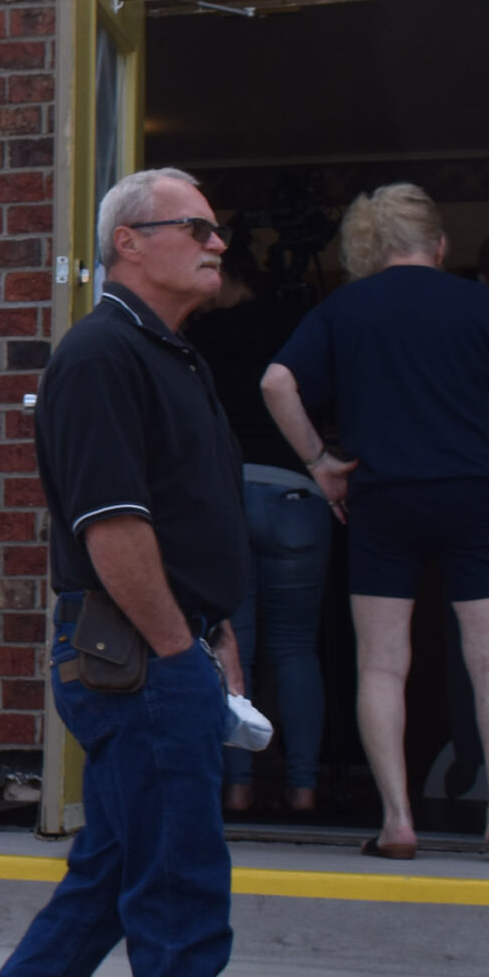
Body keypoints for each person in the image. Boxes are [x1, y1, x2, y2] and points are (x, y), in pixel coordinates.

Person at [0, 166, 333, 977]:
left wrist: (214, 644)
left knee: (107, 884)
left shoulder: (165, 354)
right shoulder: (102, 354)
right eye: (193, 226)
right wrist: (180, 653)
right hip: (140, 661)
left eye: (216, 226)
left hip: (166, 650)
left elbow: (187, 530)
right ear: (127, 245)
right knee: (181, 901)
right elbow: (113, 527)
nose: (216, 242)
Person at [260, 183, 489, 864]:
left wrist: (320, 461)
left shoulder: (345, 308)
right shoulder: (481, 303)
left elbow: (276, 383)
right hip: (474, 492)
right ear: (438, 244)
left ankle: (399, 821)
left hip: (382, 496)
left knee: (382, 664)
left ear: (369, 250)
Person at [187, 235, 331, 816]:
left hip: (227, 496)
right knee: (296, 648)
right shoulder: (296, 326)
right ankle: (303, 787)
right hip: (295, 491)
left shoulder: (198, 338)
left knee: (229, 644)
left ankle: (238, 785)